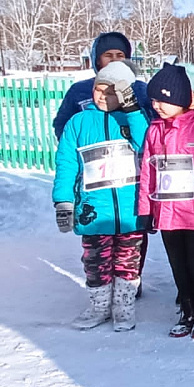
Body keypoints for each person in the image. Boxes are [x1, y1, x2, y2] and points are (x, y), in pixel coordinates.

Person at [53, 61, 149, 331]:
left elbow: (147, 144)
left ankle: (124, 308)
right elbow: (66, 164)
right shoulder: (78, 122)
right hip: (94, 211)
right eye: (99, 89)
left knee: (128, 262)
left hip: (130, 211)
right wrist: (63, 201)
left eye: (112, 92)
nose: (104, 96)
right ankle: (99, 307)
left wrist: (132, 111)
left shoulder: (133, 120)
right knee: (95, 262)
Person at [138, 63, 194, 338]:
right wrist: (146, 210)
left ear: (181, 99)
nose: (157, 106)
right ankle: (187, 312)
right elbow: (148, 173)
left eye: (163, 100)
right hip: (168, 213)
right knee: (178, 266)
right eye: (154, 100)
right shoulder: (154, 131)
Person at [53, 32, 151, 138]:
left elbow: (153, 125)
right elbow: (62, 125)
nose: (114, 60)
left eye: (120, 55)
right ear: (98, 60)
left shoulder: (140, 89)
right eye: (108, 55)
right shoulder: (79, 90)